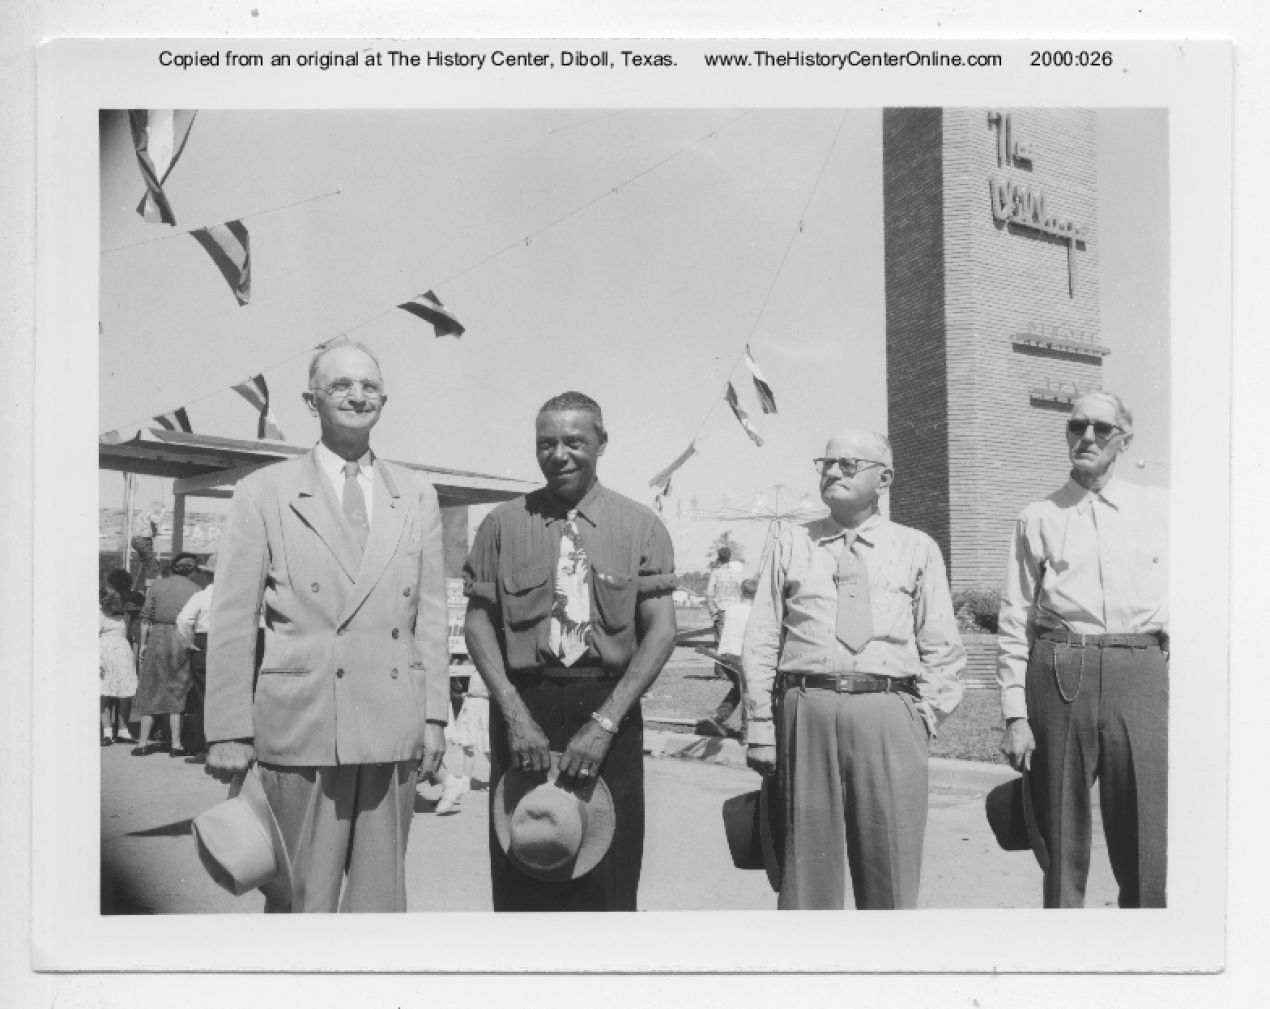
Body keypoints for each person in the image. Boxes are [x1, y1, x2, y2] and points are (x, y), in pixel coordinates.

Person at [204, 340, 449, 913]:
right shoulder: (263, 491)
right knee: (300, 901)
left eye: (368, 386)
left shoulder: (416, 493)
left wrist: (434, 717)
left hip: (393, 725)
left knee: (380, 905)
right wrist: (228, 731)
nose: (356, 396)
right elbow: (233, 619)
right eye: (340, 385)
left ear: (383, 401)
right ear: (311, 399)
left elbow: (430, 619)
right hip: (304, 723)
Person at [463, 391, 677, 911]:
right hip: (524, 708)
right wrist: (513, 713)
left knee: (607, 876)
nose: (559, 454)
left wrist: (604, 725)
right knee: (526, 859)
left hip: (608, 706)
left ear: (602, 443)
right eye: (546, 443)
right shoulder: (501, 525)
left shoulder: (640, 525)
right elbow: (477, 624)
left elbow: (662, 631)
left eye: (574, 442)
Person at [743, 429, 965, 910]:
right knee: (805, 872)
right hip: (807, 709)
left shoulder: (916, 547)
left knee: (891, 868)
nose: (831, 472)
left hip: (889, 711)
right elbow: (762, 636)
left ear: (884, 478)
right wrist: (761, 722)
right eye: (825, 463)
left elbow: (942, 644)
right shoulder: (790, 541)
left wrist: (922, 718)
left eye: (847, 464)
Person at [997, 391, 1169, 909]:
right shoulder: (1039, 516)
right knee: (1059, 829)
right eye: (1076, 427)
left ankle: (1144, 953)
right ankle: (1064, 949)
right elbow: (1014, 617)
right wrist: (1014, 714)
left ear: (1125, 439)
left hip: (1138, 668)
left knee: (1144, 831)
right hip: (1061, 669)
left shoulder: (1161, 509)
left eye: (1100, 428)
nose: (1086, 437)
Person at [132, 552, 202, 757]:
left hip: (157, 636)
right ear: (192, 570)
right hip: (182, 637)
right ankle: (176, 744)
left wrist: (143, 644)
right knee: (178, 688)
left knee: (151, 687)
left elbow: (146, 617)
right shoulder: (196, 590)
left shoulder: (157, 586)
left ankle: (142, 743)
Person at [697, 577, 756, 739]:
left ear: (740, 592)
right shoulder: (754, 613)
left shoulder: (731, 609)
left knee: (738, 689)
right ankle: (747, 731)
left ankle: (718, 718)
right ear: (756, 595)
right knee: (747, 691)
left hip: (723, 655)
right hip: (738, 656)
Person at [175, 554, 217, 764]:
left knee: (202, 696)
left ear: (207, 575)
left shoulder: (201, 597)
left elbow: (184, 620)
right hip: (231, 646)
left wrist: (186, 642)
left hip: (204, 643)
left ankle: (204, 747)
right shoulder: (236, 597)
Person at [99, 588, 138, 745]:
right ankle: (107, 731)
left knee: (125, 692)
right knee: (105, 692)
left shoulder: (124, 613)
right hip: (105, 654)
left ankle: (123, 730)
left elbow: (129, 634)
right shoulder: (99, 614)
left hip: (122, 654)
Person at [705, 544, 745, 679]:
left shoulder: (715, 573)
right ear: (729, 558)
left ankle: (721, 672)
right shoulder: (737, 574)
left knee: (720, 643)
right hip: (735, 611)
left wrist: (713, 612)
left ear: (718, 558)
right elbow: (742, 592)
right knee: (734, 642)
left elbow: (710, 594)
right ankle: (734, 671)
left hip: (721, 611)